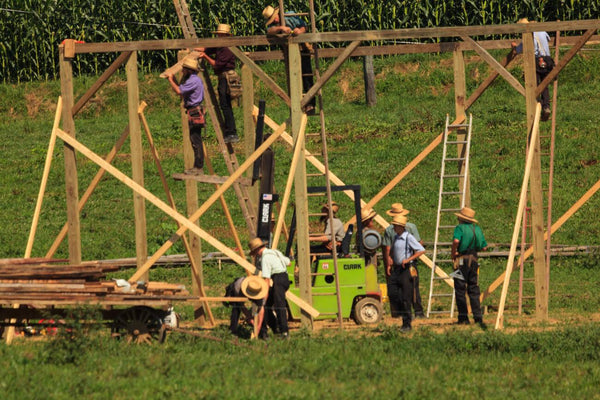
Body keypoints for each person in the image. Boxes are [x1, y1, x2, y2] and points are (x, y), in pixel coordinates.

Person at [262, 5, 316, 114]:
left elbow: (304, 26)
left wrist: (298, 31)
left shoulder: (290, 15)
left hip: (302, 48)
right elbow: (269, 31)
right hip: (289, 52)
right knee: (294, 78)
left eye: (275, 17)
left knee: (307, 75)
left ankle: (310, 104)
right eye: (272, 19)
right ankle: (298, 105)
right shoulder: (274, 25)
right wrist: (281, 28)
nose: (275, 20)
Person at [195, 23, 240, 144]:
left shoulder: (226, 48)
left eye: (220, 34)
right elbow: (209, 49)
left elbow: (217, 64)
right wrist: (199, 50)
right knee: (224, 104)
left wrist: (204, 56)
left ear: (225, 35)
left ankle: (231, 132)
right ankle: (230, 131)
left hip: (226, 77)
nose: (219, 36)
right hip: (223, 78)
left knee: (225, 105)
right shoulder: (220, 45)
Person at [382, 203, 425, 318]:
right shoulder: (412, 227)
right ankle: (418, 312)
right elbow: (420, 243)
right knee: (414, 288)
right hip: (409, 264)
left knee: (399, 289)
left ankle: (400, 313)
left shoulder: (388, 230)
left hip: (399, 263)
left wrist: (388, 263)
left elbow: (387, 248)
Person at [165, 58, 205, 175]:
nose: (182, 71)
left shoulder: (193, 80)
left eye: (184, 69)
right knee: (195, 139)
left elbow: (179, 91)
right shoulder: (193, 79)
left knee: (195, 139)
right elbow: (181, 89)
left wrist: (170, 79)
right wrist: (174, 80)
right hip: (194, 111)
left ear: (189, 70)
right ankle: (197, 167)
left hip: (194, 111)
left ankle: (198, 167)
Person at [451, 207, 488, 328]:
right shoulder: (477, 229)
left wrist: (453, 252)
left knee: (460, 288)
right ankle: (478, 317)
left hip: (461, 260)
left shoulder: (459, 228)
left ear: (461, 218)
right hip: (474, 260)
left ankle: (463, 317)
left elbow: (456, 241)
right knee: (474, 288)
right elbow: (484, 247)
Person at [512, 18, 554, 121]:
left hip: (535, 61)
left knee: (533, 83)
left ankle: (537, 103)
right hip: (548, 60)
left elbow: (518, 50)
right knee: (545, 84)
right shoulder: (542, 31)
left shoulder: (527, 35)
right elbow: (548, 39)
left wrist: (513, 47)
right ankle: (546, 106)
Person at [249, 237, 291, 339]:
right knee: (269, 305)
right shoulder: (275, 252)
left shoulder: (265, 258)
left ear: (257, 250)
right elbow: (288, 262)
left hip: (277, 279)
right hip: (284, 277)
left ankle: (284, 332)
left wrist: (265, 294)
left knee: (279, 305)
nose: (256, 255)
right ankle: (275, 327)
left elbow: (266, 279)